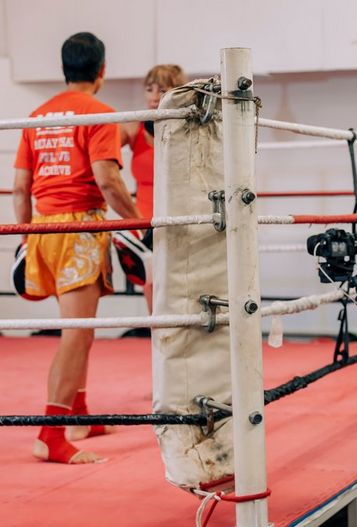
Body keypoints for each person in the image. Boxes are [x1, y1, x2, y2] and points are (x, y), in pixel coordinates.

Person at [12, 32, 141, 464]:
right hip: (79, 228)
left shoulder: (37, 115)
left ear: (64, 69)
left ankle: (80, 415)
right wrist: (139, 224)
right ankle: (50, 434)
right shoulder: (100, 112)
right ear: (102, 70)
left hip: (43, 229)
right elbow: (107, 179)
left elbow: (20, 186)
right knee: (75, 334)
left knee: (80, 332)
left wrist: (28, 235)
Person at [120, 64, 187, 313]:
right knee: (151, 279)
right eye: (149, 89)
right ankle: (157, 335)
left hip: (178, 210)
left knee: (178, 278)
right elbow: (100, 149)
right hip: (144, 214)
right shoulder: (133, 126)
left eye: (163, 89)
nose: (154, 96)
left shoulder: (188, 127)